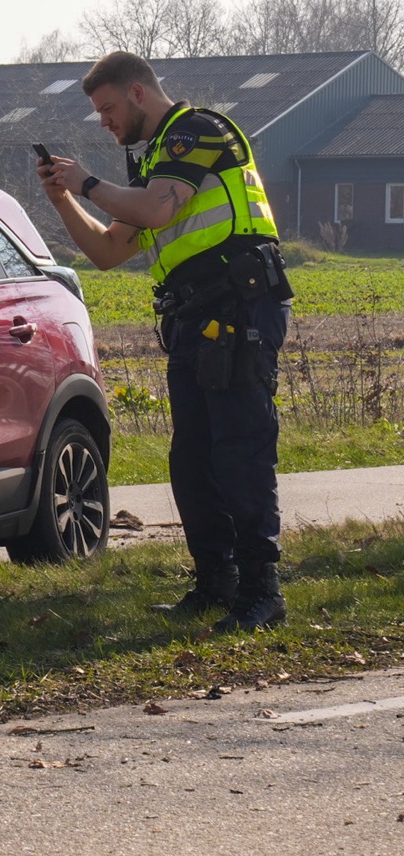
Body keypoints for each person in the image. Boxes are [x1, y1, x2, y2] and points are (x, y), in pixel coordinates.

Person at [38, 51, 293, 633]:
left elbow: (154, 208)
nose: (103, 121)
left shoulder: (198, 132)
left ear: (137, 93)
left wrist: (88, 180)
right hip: (196, 319)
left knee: (240, 453)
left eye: (106, 109)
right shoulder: (155, 162)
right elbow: (106, 252)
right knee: (193, 459)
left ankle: (262, 593)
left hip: (239, 307)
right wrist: (63, 198)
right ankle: (215, 583)